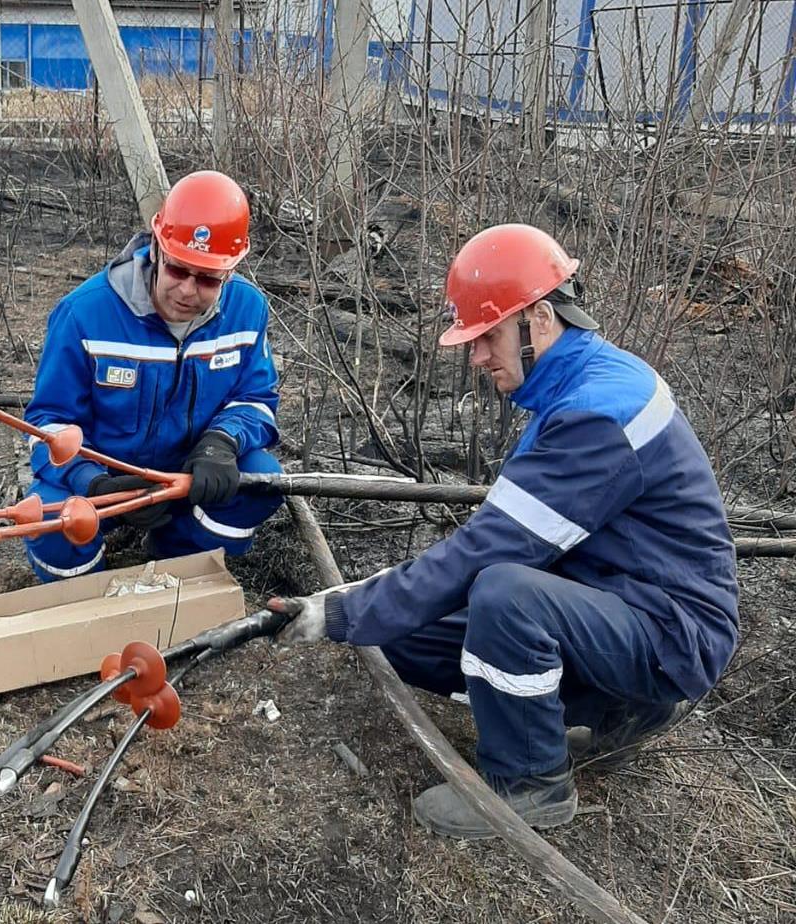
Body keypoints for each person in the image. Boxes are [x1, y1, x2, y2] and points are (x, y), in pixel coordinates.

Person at [269, 224, 739, 839]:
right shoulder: (581, 384)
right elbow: (498, 540)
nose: (478, 356)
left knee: (503, 595)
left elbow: (487, 553)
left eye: (487, 335)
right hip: (622, 596)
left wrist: (335, 613)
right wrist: (361, 606)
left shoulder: (595, 415)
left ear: (538, 320)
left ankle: (530, 784)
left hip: (674, 629)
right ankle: (607, 709)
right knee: (405, 634)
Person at [21, 171, 283, 582]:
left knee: (263, 479)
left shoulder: (248, 311)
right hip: (102, 483)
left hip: (187, 478)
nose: (187, 291)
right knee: (50, 518)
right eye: (178, 270)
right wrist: (94, 483)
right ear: (157, 248)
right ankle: (83, 596)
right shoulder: (85, 314)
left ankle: (179, 558)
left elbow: (256, 398)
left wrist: (222, 443)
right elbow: (46, 425)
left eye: (209, 279)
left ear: (231, 272)